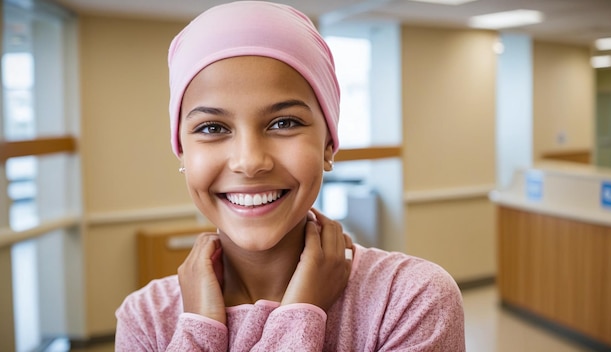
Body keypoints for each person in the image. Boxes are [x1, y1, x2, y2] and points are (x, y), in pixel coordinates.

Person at [115, 1, 465, 350]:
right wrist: (199, 326)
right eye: (212, 127)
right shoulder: (145, 318)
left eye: (284, 123)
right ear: (182, 152)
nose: (249, 162)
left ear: (328, 144)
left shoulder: (410, 300)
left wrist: (299, 315)